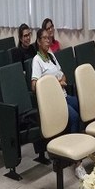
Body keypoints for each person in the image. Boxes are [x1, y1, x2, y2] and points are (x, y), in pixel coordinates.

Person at [31, 28, 84, 178]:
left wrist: (60, 81)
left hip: (64, 94)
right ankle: (76, 161)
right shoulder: (37, 60)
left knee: (83, 106)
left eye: (49, 38)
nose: (48, 41)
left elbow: (63, 75)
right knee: (73, 116)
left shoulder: (51, 56)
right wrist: (53, 83)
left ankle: (80, 146)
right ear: (39, 41)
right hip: (53, 101)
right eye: (45, 39)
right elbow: (34, 85)